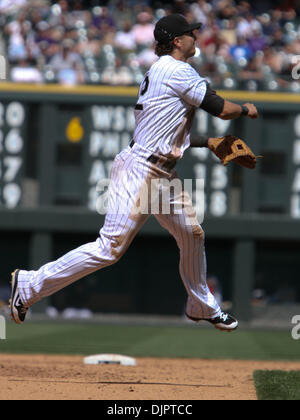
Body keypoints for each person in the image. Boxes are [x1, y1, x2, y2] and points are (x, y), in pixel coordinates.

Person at [10, 14, 258, 331]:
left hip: (161, 171)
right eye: (191, 34)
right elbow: (222, 109)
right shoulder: (175, 70)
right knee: (109, 248)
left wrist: (209, 142)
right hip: (140, 168)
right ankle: (29, 285)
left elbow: (168, 133)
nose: (196, 38)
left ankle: (201, 304)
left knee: (191, 234)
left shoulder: (163, 72)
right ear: (178, 41)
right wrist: (247, 108)